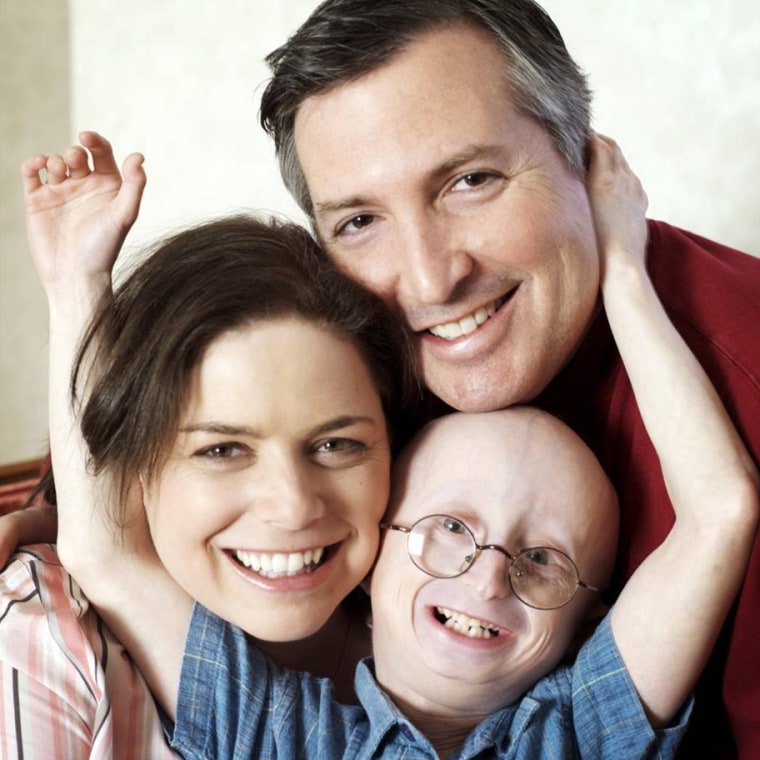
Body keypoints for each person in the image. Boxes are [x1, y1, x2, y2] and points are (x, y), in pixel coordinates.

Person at [40, 134, 759, 758]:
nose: (487, 579)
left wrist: (625, 274)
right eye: (448, 530)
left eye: (544, 562)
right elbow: (103, 550)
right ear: (372, 557)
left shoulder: (586, 730)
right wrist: (76, 283)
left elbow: (719, 511)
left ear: (589, 626)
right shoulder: (271, 727)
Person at [257, 2, 760, 757]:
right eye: (359, 221)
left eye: (470, 180)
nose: (430, 280)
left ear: (585, 164)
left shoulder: (745, 384)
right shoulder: (349, 343)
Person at [0, 135, 416, 756]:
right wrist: (76, 285)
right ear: (134, 465)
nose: (293, 506)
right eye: (222, 450)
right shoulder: (44, 638)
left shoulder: (462, 632)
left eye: (335, 444)